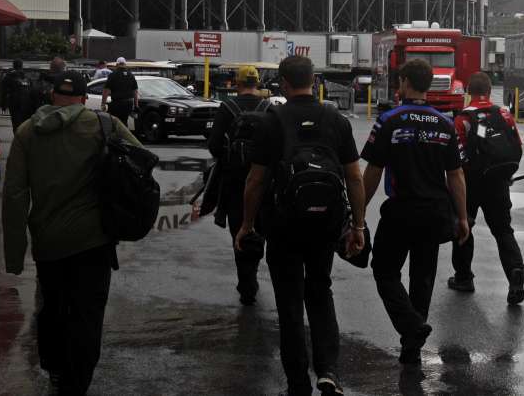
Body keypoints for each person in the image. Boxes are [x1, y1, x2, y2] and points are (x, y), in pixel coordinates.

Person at [2, 70, 144, 394]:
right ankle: (76, 382)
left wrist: (14, 256)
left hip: (48, 242)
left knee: (53, 306)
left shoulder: (26, 133)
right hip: (94, 241)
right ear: (83, 99)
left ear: (53, 97)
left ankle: (53, 367)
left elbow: (13, 196)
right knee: (87, 313)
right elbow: (142, 162)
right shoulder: (104, 125)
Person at [235, 55, 366, 396]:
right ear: (314, 80)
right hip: (325, 223)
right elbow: (354, 176)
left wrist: (247, 224)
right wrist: (359, 226)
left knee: (289, 301)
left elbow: (255, 180)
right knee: (320, 290)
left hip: (283, 225)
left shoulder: (272, 119)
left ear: (283, 82)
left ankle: (297, 382)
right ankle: (328, 371)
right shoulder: (335, 118)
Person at [361, 58, 470, 364]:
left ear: (406, 82)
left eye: (399, 81)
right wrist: (461, 217)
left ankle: (411, 327)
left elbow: (372, 170)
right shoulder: (445, 124)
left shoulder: (390, 120)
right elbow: (456, 175)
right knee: (422, 279)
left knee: (384, 271)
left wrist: (357, 214)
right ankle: (412, 345)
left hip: (400, 211)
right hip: (435, 213)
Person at [448, 72, 524, 305]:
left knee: (464, 227)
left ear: (468, 92)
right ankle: (515, 272)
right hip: (499, 181)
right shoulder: (503, 114)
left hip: (470, 183)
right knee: (503, 230)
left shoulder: (463, 119)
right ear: (490, 91)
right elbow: (516, 146)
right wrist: (506, 175)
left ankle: (463, 278)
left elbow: (458, 157)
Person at [196, 65, 271, 305]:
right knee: (259, 227)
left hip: (234, 183)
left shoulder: (227, 108)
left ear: (236, 84)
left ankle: (246, 282)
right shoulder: (269, 108)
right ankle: (253, 273)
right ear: (258, 83)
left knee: (238, 229)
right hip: (264, 184)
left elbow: (214, 146)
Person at [102, 57, 138, 129]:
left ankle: (118, 138)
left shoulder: (112, 75)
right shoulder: (131, 75)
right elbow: (135, 92)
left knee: (115, 122)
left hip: (117, 104)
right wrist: (136, 105)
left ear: (116, 64)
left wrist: (103, 103)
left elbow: (106, 90)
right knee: (124, 121)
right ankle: (124, 137)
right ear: (125, 64)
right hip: (129, 104)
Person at [0, 59, 35, 131]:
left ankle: (18, 138)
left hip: (15, 104)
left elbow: (3, 91)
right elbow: (32, 91)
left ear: (13, 66)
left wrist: (2, 104)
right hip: (27, 104)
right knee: (25, 124)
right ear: (22, 66)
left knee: (16, 124)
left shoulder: (9, 77)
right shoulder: (27, 77)